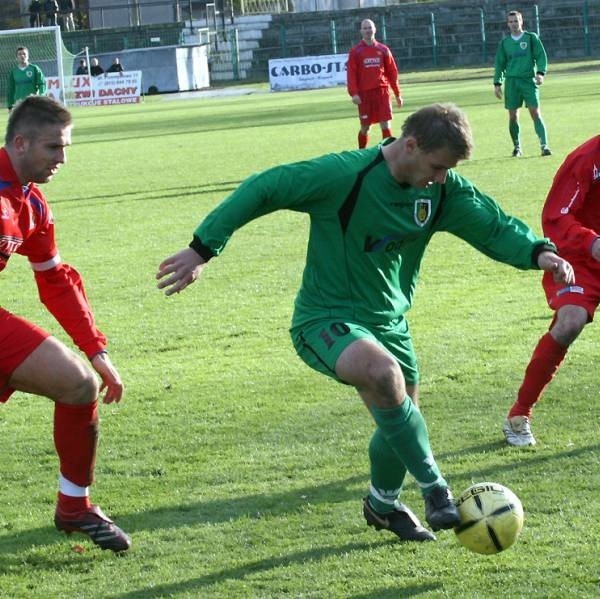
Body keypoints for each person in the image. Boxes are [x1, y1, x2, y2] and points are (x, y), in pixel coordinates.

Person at [156, 103, 574, 542]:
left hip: (389, 322)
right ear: (409, 145)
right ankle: (437, 492)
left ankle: (382, 504)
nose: (440, 178)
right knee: (383, 374)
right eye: (435, 166)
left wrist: (538, 253)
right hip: (326, 318)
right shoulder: (346, 175)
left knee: (399, 411)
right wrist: (203, 249)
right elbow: (265, 187)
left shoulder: (440, 191)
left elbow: (492, 224)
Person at [0, 96, 131, 552]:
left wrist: (98, 353)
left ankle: (74, 506)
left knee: (78, 384)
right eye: (54, 148)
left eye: (65, 147)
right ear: (21, 142)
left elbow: (56, 280)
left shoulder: (32, 204)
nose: (63, 159)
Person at [503, 135, 600, 446]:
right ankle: (519, 415)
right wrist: (591, 242)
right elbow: (556, 218)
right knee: (569, 322)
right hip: (579, 256)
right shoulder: (586, 159)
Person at [493, 10, 551, 158]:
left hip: (528, 80)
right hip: (512, 82)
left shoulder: (531, 38)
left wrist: (541, 73)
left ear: (521, 21)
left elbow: (541, 56)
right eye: (511, 22)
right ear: (507, 24)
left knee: (535, 112)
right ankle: (517, 147)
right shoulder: (505, 43)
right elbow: (500, 64)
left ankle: (544, 146)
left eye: (516, 21)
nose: (514, 24)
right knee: (513, 116)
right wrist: (497, 83)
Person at [347, 18, 403, 149]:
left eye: (370, 27)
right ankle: (362, 153)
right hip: (365, 95)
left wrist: (397, 94)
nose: (368, 30)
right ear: (361, 31)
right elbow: (351, 74)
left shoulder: (383, 50)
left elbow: (392, 73)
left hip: (382, 92)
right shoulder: (356, 51)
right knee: (365, 128)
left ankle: (388, 155)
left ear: (375, 29)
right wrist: (354, 93)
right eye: (365, 28)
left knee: (386, 125)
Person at [7, 47, 47, 111]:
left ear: (28, 56)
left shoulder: (34, 69)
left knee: (34, 121)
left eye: (24, 54)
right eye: (19, 54)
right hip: (18, 104)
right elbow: (11, 90)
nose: (22, 56)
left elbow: (42, 84)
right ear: (16, 57)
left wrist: (40, 96)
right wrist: (10, 105)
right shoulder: (14, 72)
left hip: (32, 103)